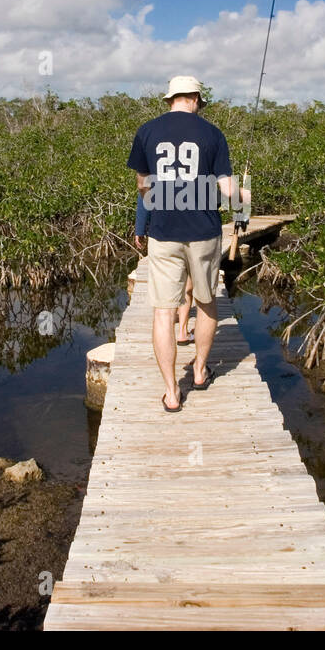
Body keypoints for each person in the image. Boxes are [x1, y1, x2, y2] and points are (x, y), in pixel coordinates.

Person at [127, 76, 251, 413]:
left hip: (163, 233)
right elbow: (227, 190)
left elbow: (142, 183)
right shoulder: (212, 134)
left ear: (171, 99)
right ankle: (199, 371)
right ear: (195, 98)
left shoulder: (147, 131)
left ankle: (171, 393)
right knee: (207, 301)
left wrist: (156, 202)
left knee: (163, 311)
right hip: (204, 231)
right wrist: (245, 197)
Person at [134, 194, 194, 344]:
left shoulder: (155, 170)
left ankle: (170, 327)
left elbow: (144, 197)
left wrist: (140, 229)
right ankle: (182, 332)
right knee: (188, 286)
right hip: (192, 233)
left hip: (162, 235)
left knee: (166, 285)